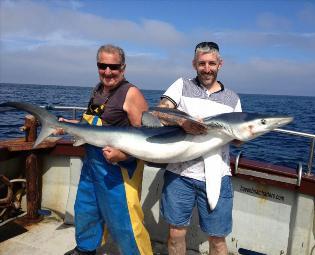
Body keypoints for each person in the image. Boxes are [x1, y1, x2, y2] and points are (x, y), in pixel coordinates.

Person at [64, 44, 152, 255]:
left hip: (118, 170)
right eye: (102, 66)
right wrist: (72, 126)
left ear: (123, 68)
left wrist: (124, 155)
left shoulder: (131, 94)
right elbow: (92, 124)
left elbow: (147, 139)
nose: (108, 72)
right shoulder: (97, 90)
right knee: (86, 210)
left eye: (113, 67)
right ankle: (86, 249)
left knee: (125, 223)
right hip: (92, 166)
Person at [158, 42, 242, 255]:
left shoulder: (232, 99)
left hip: (218, 175)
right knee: (176, 233)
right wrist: (183, 123)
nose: (207, 68)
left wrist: (244, 135)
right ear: (194, 64)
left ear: (220, 64)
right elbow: (160, 111)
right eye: (202, 63)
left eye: (211, 63)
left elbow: (238, 141)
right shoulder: (181, 85)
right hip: (179, 173)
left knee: (217, 239)